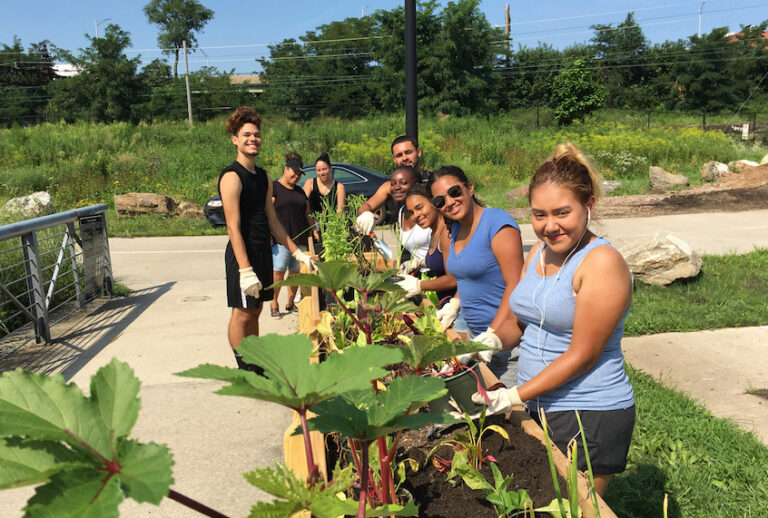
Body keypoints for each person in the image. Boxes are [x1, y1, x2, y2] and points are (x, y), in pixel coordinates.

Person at [479, 143, 635, 497]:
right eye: (539, 215)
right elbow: (521, 321)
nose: (549, 226)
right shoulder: (540, 250)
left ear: (588, 206)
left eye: (562, 212)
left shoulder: (601, 263)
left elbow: (584, 355)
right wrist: (487, 342)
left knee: (571, 506)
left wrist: (514, 394)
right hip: (540, 402)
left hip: (587, 411)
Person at [218, 107, 314, 373]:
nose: (253, 139)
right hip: (242, 255)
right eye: (246, 134)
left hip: (263, 250)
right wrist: (245, 270)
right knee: (242, 312)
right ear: (235, 139)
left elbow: (273, 220)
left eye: (256, 135)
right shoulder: (232, 177)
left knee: (257, 310)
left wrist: (297, 253)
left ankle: (256, 362)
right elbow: (233, 227)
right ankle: (244, 368)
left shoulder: (263, 178)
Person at [428, 165, 524, 386]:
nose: (449, 202)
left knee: (510, 413)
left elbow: (516, 284)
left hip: (506, 344)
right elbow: (469, 274)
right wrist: (455, 303)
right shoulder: (456, 228)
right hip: (476, 339)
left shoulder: (497, 223)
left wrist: (493, 333)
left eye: (454, 192)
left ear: (469, 188)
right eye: (439, 201)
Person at [356, 165, 428, 271]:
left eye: (403, 183)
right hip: (419, 273)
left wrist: (423, 263)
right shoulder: (402, 212)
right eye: (393, 184)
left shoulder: (428, 211)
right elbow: (367, 206)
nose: (397, 187)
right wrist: (365, 214)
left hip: (437, 272)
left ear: (416, 185)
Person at [354, 134, 427, 238]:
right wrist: (366, 214)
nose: (404, 158)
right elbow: (367, 206)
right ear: (394, 159)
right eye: (399, 155)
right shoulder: (391, 186)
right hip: (407, 246)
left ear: (418, 152)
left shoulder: (432, 180)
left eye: (408, 152)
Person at [270, 151, 315, 318]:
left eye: (299, 174)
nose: (296, 176)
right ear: (286, 169)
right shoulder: (274, 188)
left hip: (300, 236)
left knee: (295, 272)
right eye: (294, 173)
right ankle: (274, 302)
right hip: (281, 239)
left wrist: (315, 231)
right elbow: (268, 213)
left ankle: (291, 302)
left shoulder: (300, 192)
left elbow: (308, 213)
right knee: (279, 271)